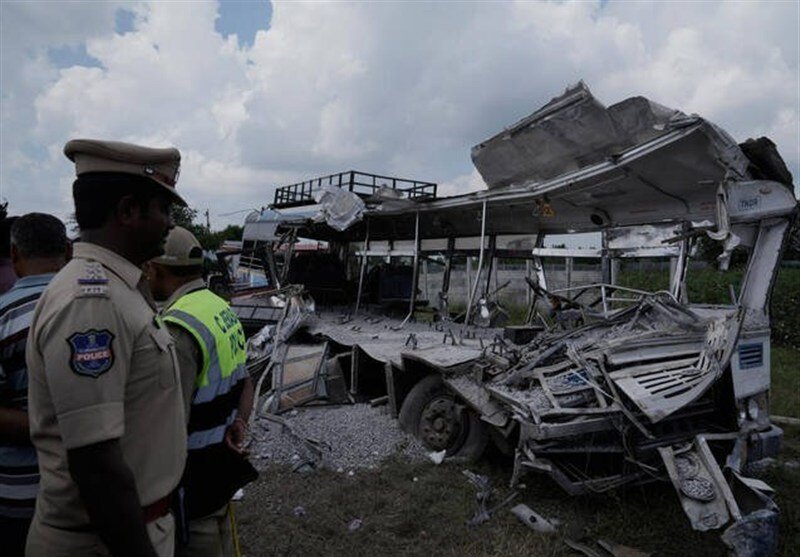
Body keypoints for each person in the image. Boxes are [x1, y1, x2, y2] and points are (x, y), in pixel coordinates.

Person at [25, 139, 188, 557]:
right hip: (106, 542)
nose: (170, 223)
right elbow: (96, 464)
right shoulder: (91, 299)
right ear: (128, 210)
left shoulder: (119, 287)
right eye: (164, 209)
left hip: (132, 528)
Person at [146, 226, 256, 557]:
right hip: (221, 469)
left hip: (192, 485)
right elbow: (245, 380)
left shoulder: (177, 327)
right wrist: (240, 424)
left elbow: (169, 424)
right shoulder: (219, 307)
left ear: (155, 268)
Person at [0, 213, 70, 557]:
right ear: (68, 252)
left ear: (14, 255)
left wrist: (48, 428)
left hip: (21, 494)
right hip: (92, 492)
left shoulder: (3, 315)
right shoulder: (104, 306)